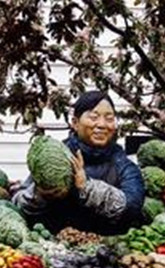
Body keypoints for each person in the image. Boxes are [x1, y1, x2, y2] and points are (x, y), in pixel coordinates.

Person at [13, 91, 146, 234]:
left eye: (109, 118)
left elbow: (132, 206)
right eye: (94, 117)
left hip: (108, 249)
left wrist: (87, 188)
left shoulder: (123, 165)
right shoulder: (54, 157)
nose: (101, 124)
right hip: (53, 248)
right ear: (75, 123)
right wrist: (40, 194)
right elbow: (18, 204)